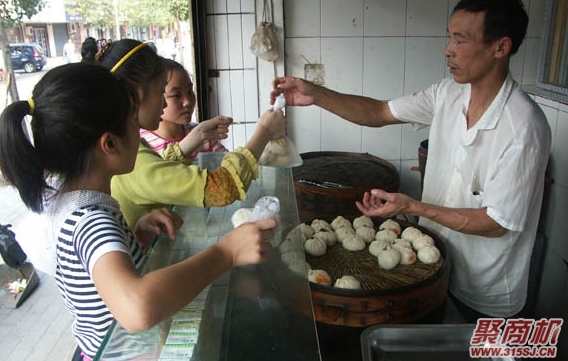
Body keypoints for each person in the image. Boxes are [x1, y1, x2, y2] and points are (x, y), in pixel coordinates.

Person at [271, 0, 550, 322]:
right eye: (449, 37)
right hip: (426, 267)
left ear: (501, 47)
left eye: (460, 40)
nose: (448, 50)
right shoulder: (448, 94)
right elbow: (379, 112)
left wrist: (411, 207)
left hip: (484, 291)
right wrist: (316, 95)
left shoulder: (524, 127)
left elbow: (495, 224)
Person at [0, 63, 276, 361]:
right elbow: (136, 309)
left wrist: (134, 235)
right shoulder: (91, 219)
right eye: (134, 123)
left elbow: (96, 279)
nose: (142, 132)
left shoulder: (66, 203)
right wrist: (227, 252)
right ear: (109, 144)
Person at [91, 39, 286, 228]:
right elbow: (222, 188)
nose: (165, 103)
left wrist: (196, 135)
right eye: (161, 93)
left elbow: (160, 170)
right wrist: (264, 131)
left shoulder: (131, 146)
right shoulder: (132, 157)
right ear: (134, 93)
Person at [140, 59, 229, 162]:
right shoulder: (143, 145)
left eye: (190, 92)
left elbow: (229, 164)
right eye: (176, 95)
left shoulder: (202, 134)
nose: (187, 101)